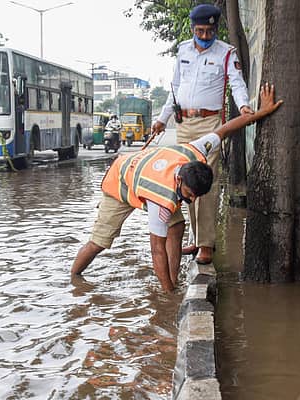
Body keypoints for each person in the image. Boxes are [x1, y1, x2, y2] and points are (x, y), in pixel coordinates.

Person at [72, 83, 282, 292]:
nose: (190, 201)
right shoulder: (161, 203)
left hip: (143, 171)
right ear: (180, 181)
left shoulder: (195, 149)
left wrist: (261, 112)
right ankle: (74, 279)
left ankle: (173, 280)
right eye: (189, 195)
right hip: (119, 184)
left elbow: (224, 130)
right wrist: (168, 298)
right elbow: (157, 250)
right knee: (99, 242)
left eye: (195, 196)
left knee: (178, 226)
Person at [151, 3, 253, 265]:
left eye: (210, 31)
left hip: (210, 125)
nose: (205, 36)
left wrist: (243, 105)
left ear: (216, 29)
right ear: (193, 28)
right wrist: (163, 120)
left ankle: (206, 244)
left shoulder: (226, 52)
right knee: (186, 182)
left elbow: (237, 83)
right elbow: (175, 87)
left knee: (206, 184)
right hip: (184, 123)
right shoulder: (183, 49)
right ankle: (195, 238)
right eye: (200, 30)